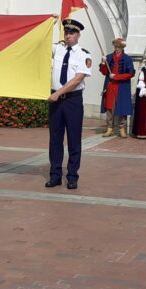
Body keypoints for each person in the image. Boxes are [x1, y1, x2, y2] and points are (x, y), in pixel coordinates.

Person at [46, 18, 92, 190]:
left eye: (72, 33)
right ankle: (55, 175)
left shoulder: (84, 54)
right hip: (56, 102)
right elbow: (40, 43)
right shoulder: (57, 49)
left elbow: (77, 79)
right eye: (66, 32)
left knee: (74, 140)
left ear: (78, 35)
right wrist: (48, 23)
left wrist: (58, 93)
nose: (68, 35)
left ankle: (72, 176)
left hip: (72, 100)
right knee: (55, 140)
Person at [99, 37, 135, 137]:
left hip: (122, 86)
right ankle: (109, 128)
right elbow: (104, 72)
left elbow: (131, 73)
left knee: (122, 107)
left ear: (122, 47)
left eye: (119, 47)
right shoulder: (109, 57)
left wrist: (117, 76)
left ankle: (122, 129)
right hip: (110, 85)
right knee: (109, 107)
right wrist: (103, 63)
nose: (117, 48)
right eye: (116, 46)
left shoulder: (127, 59)